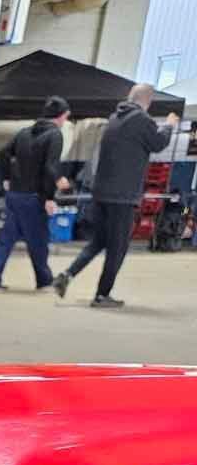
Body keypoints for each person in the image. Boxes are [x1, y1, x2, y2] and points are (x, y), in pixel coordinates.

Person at [54, 83, 179, 308]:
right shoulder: (141, 120)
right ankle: (102, 295)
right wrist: (169, 126)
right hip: (122, 197)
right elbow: (158, 143)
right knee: (118, 248)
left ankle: (67, 275)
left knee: (98, 242)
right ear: (148, 101)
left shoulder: (115, 119)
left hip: (101, 193)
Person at [0, 96, 71, 293]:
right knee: (38, 241)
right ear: (61, 116)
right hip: (34, 197)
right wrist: (51, 195)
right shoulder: (55, 135)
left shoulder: (24, 132)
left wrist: (6, 177)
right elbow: (50, 167)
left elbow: (4, 153)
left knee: (6, 241)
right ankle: (44, 281)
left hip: (15, 194)